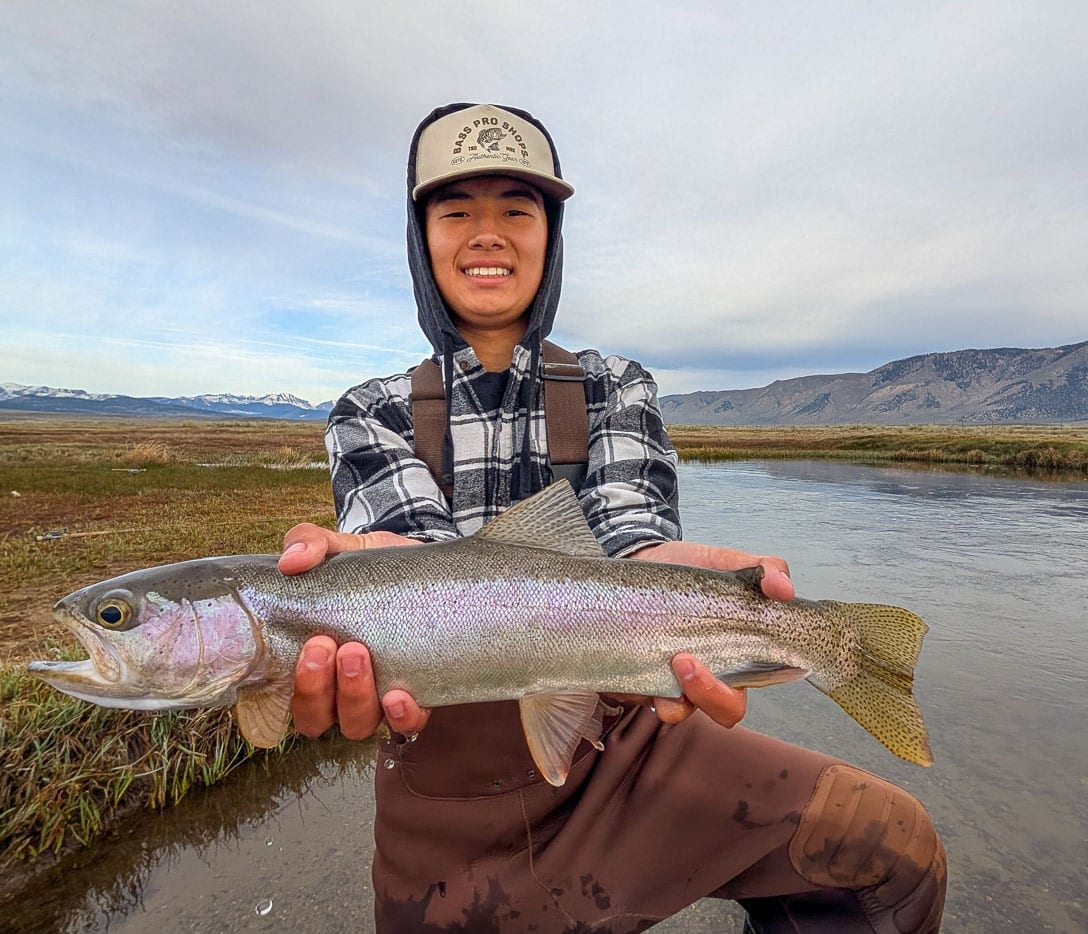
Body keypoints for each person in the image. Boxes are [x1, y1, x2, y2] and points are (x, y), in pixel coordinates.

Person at [277, 103, 946, 933]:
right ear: (423, 242)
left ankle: (843, 653)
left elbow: (633, 535)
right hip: (447, 787)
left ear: (551, 237)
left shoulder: (614, 385)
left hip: (624, 742)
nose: (487, 233)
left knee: (891, 852)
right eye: (456, 211)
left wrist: (687, 586)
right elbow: (422, 565)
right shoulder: (367, 411)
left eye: (517, 211)